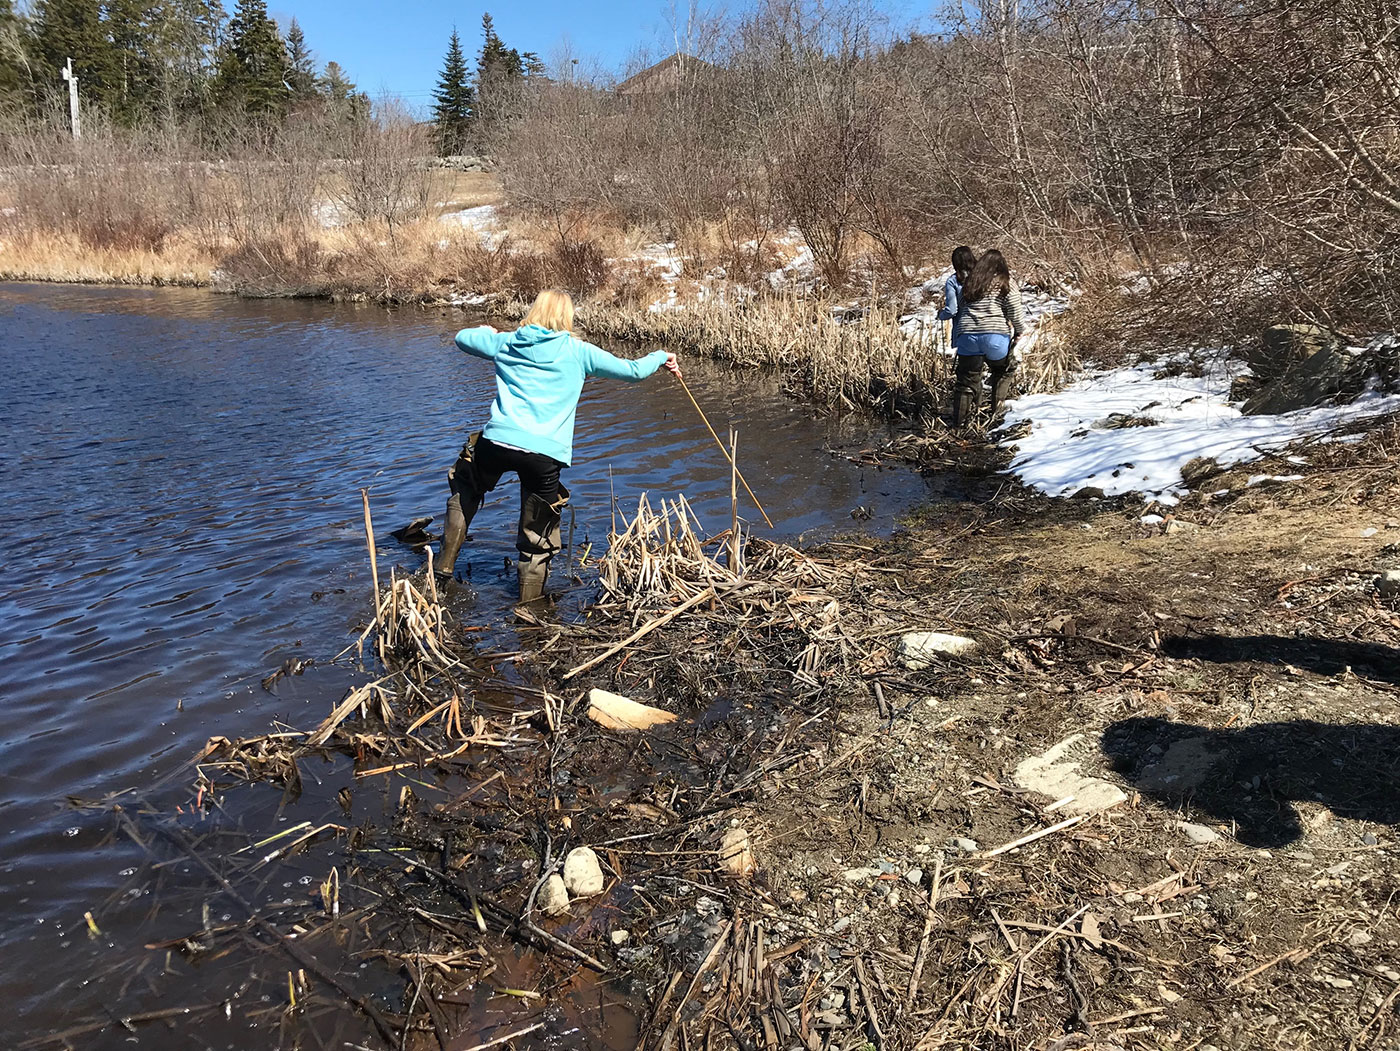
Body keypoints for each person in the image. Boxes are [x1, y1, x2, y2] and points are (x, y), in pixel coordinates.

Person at [433, 289, 681, 602]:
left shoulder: (507, 341)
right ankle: (529, 606)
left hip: (497, 442)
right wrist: (661, 356)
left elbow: (462, 338)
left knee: (466, 485)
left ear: (534, 311)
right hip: (543, 455)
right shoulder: (578, 351)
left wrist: (486, 331)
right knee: (538, 531)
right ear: (567, 317)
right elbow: (633, 371)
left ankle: (442, 568)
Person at [950, 248, 1025, 427]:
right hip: (995, 336)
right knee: (1004, 370)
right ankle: (996, 415)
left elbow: (960, 307)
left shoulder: (971, 282)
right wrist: (1020, 330)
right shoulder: (1005, 282)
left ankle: (959, 425)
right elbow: (1014, 308)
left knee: (966, 380)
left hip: (967, 336)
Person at [936, 245, 978, 353]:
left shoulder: (953, 281)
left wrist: (941, 315)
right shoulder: (983, 278)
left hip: (964, 332)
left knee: (966, 368)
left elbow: (952, 310)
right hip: (987, 329)